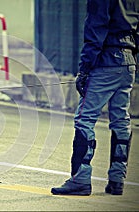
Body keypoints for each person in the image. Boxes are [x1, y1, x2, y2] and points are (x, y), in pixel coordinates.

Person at [51, 0, 138, 196]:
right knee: (121, 120)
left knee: (85, 119)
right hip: (128, 62)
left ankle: (80, 179)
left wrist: (84, 69)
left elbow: (96, 27)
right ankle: (117, 180)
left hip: (105, 61)